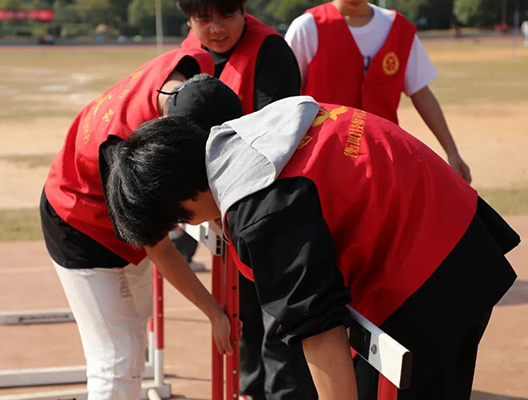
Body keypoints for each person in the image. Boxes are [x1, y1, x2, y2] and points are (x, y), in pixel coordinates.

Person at [104, 95, 519, 400]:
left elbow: (319, 329)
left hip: (437, 270)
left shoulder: (263, 211)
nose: (190, 225)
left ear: (187, 197)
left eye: (180, 219)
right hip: (451, 228)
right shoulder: (245, 138)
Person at [40, 49, 241, 400]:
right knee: (117, 358)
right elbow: (159, 248)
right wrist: (213, 312)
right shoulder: (125, 151)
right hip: (78, 222)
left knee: (134, 336)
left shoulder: (191, 63)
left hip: (115, 201)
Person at [178, 2, 313, 398]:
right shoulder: (188, 53)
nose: (216, 29)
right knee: (242, 312)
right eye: (204, 20)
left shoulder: (271, 51)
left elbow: (276, 136)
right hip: (224, 203)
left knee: (278, 315)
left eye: (226, 16)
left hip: (269, 198)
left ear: (243, 11)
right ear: (189, 20)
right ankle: (249, 389)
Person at [285, 0, 472, 184]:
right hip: (323, 161)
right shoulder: (307, 27)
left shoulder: (398, 28)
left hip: (381, 160)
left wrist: (452, 152)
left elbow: (421, 93)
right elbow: (286, 101)